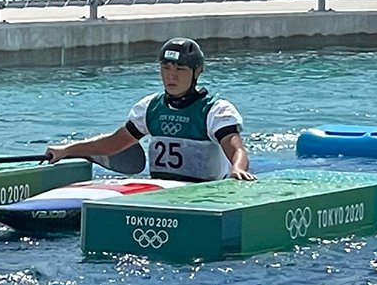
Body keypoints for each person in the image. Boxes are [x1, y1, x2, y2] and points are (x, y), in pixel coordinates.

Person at [45, 37, 256, 182]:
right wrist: (67, 150)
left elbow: (237, 149)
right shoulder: (150, 107)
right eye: (166, 68)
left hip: (205, 193)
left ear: (196, 72)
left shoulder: (215, 111)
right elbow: (112, 144)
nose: (171, 76)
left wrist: (238, 168)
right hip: (161, 192)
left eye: (180, 69)